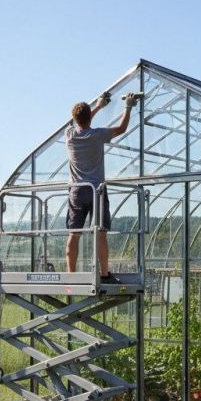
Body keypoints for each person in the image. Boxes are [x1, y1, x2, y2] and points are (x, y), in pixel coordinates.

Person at [65, 92, 139, 281]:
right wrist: (128, 106)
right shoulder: (97, 135)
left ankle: (70, 275)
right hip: (96, 190)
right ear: (89, 116)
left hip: (76, 190)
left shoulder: (70, 136)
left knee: (74, 233)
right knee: (100, 232)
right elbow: (121, 128)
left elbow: (80, 121)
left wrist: (98, 106)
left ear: (74, 118)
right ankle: (104, 274)